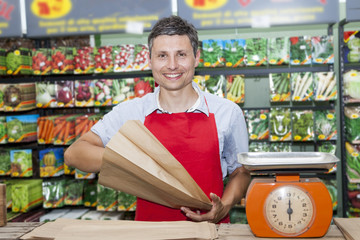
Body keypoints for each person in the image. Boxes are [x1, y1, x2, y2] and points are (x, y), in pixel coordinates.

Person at [64, 15, 250, 224]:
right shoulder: (132, 112)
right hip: (149, 233)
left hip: (211, 231)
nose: (172, 65)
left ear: (197, 57)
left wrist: (223, 207)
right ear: (150, 59)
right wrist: (130, 160)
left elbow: (240, 173)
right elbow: (74, 154)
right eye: (162, 55)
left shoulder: (228, 113)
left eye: (181, 55)